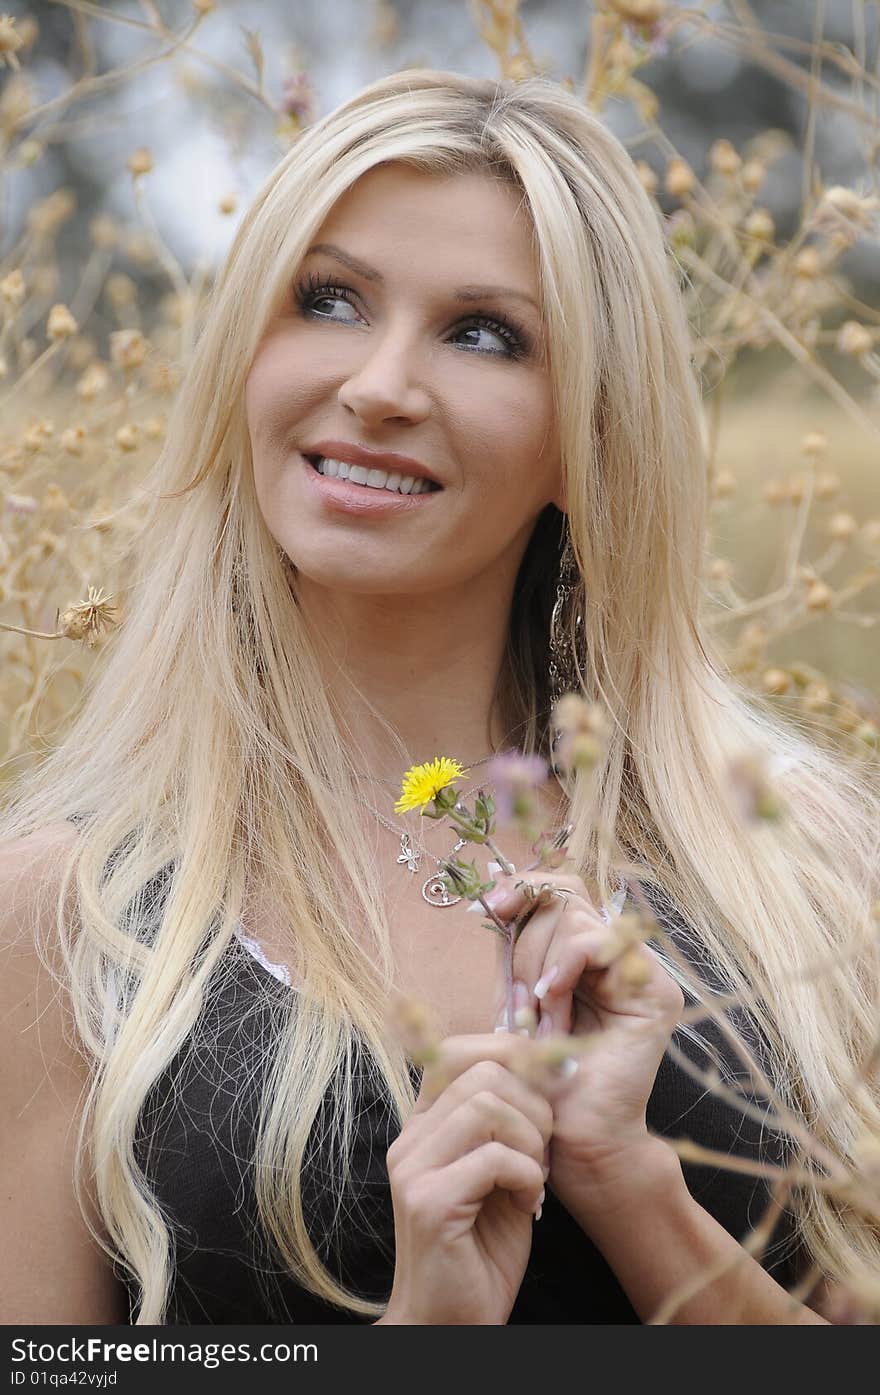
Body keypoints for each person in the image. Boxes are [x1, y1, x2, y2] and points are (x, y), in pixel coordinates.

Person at [1, 69, 878, 1327]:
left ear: (590, 432)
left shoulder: (802, 867)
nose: (379, 386)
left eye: (482, 333)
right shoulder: (59, 921)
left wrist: (635, 1192)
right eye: (329, 301)